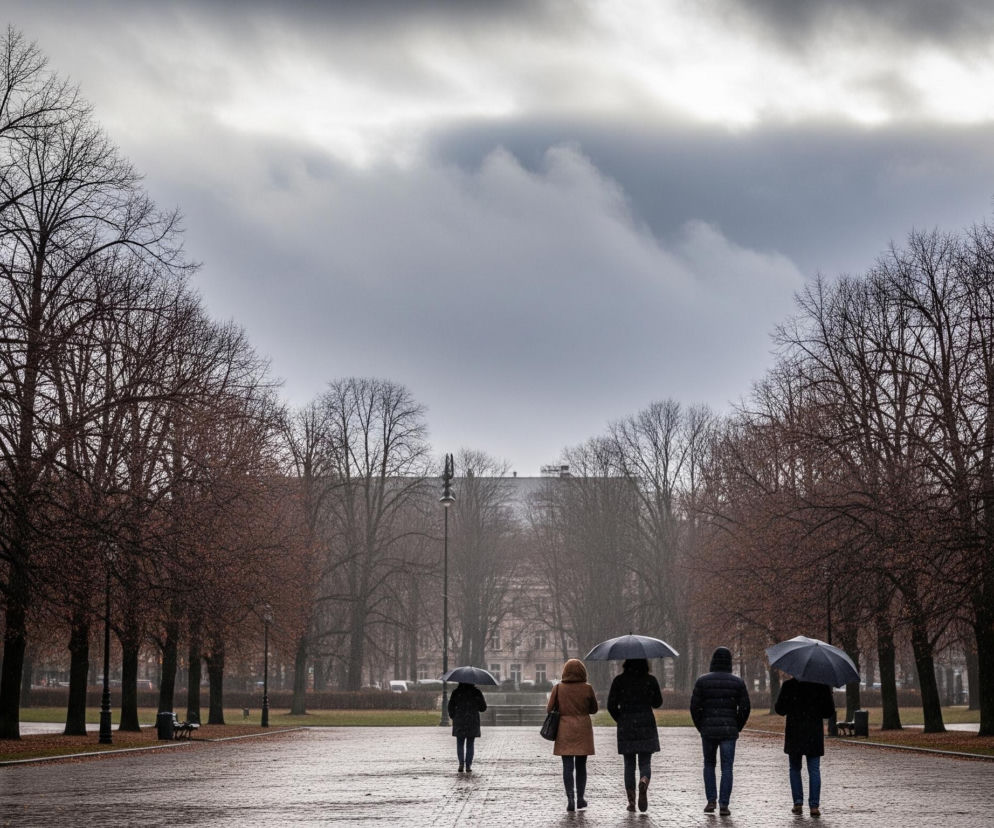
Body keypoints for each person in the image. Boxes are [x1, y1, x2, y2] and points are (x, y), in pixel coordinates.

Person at [689, 646, 751, 816]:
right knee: (727, 767)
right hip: (729, 730)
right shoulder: (737, 682)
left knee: (709, 764)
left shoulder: (702, 681)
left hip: (708, 729)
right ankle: (724, 804)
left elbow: (694, 707)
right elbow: (745, 707)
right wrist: (736, 725)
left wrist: (701, 726)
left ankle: (711, 800)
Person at [774, 674, 836, 817]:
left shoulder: (789, 686)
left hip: (795, 732)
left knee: (795, 768)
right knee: (814, 770)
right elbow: (828, 712)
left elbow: (780, 709)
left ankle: (797, 802)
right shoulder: (822, 686)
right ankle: (814, 806)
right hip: (813, 733)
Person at [607, 658, 663, 812]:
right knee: (645, 762)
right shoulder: (650, 680)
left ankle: (631, 802)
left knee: (629, 765)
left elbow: (611, 705)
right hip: (646, 724)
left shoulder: (619, 681)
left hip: (627, 724)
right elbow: (658, 702)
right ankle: (644, 780)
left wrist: (620, 719)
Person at [547, 658, 598, 812]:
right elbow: (594, 709)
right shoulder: (587, 688)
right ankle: (580, 798)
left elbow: (550, 709)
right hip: (583, 729)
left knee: (567, 766)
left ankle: (570, 797)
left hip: (564, 729)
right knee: (581, 766)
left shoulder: (558, 688)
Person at [448, 681, 488, 773]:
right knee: (470, 744)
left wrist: (453, 715)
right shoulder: (476, 692)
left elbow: (451, 706)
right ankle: (468, 765)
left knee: (460, 743)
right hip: (472, 720)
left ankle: (461, 763)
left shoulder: (456, 692)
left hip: (459, 720)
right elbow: (483, 708)